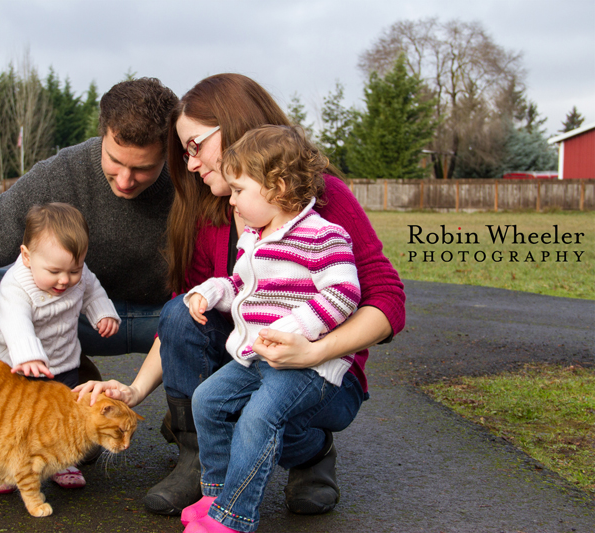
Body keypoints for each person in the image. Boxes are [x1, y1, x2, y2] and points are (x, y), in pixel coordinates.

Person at [75, 73, 406, 517]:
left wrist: (313, 350)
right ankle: (198, 461)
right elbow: (181, 323)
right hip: (250, 361)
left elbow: (386, 297)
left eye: (195, 146)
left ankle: (310, 452)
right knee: (182, 311)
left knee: (263, 417)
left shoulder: (320, 202)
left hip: (321, 373)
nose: (190, 164)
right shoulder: (213, 210)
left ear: (233, 130)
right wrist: (135, 389)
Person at [0, 77, 179, 398]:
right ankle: (53, 387)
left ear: (168, 150)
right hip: (73, 314)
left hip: (164, 318)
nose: (126, 181)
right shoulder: (61, 174)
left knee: (217, 313)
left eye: (143, 168)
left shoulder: (193, 178)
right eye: (115, 161)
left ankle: (192, 413)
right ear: (103, 135)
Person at [181, 125, 360, 532]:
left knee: (258, 418)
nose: (233, 200)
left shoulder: (322, 235)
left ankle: (233, 517)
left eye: (240, 190)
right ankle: (216, 495)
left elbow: (344, 293)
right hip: (258, 356)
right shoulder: (254, 240)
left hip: (305, 366)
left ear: (277, 187)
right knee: (207, 399)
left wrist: (293, 329)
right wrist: (211, 292)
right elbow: (242, 289)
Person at [0, 202, 121, 493]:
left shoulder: (75, 274)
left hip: (62, 361)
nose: (65, 280)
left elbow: (92, 290)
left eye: (74, 269)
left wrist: (102, 312)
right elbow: (14, 320)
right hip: (12, 364)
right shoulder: (16, 285)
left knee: (60, 413)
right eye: (55, 271)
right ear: (27, 256)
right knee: (10, 418)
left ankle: (59, 459)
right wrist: (28, 354)